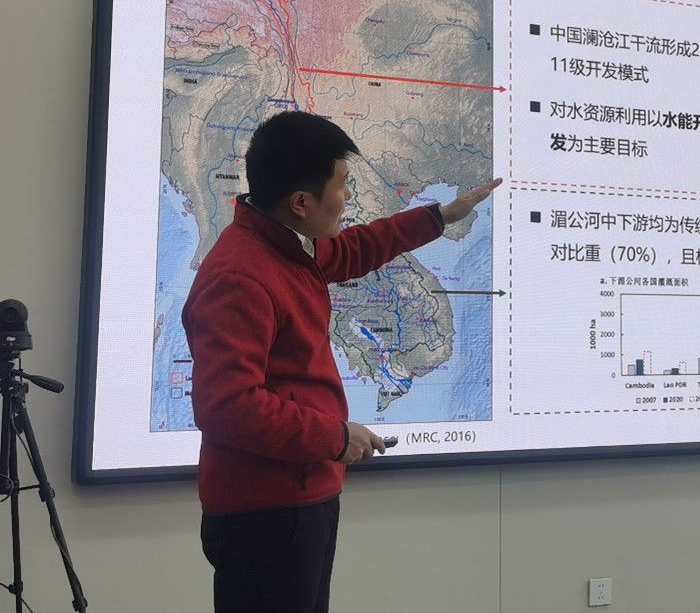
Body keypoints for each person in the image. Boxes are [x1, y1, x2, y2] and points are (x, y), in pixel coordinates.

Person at [182, 110, 501, 613]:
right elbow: (227, 407)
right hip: (267, 514)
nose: (348, 197)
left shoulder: (283, 244)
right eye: (342, 185)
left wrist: (441, 216)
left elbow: (355, 250)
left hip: (297, 498)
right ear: (301, 202)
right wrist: (334, 437)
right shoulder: (241, 276)